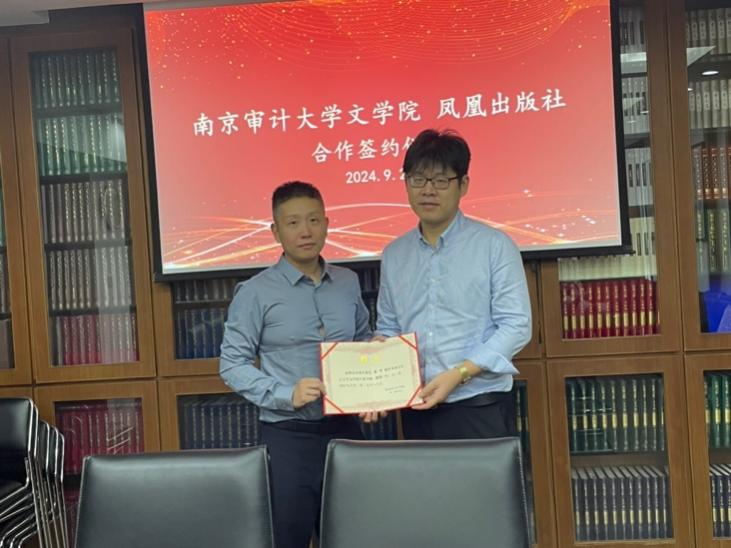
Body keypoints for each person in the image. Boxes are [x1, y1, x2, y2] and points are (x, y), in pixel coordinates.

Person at [219, 181, 371, 548]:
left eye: (314, 220)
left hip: (346, 431)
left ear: (327, 224)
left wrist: (374, 386)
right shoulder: (255, 292)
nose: (305, 231)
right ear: (276, 231)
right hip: (288, 435)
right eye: (293, 223)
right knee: (288, 537)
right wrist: (286, 393)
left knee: (354, 535)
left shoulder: (348, 282)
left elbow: (363, 341)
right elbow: (232, 363)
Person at [376, 128, 532, 440]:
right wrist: (375, 370)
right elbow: (389, 327)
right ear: (406, 184)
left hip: (479, 405)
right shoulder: (394, 254)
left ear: (463, 185)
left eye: (440, 180)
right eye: (418, 179)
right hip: (417, 407)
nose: (428, 190)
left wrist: (460, 373)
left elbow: (517, 325)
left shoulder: (494, 245)